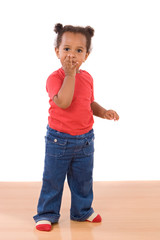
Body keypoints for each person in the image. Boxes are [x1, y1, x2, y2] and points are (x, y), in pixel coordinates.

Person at [33, 23, 119, 231]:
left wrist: (103, 111)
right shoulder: (55, 78)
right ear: (57, 51)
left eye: (78, 50)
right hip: (59, 140)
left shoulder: (88, 77)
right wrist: (69, 75)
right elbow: (63, 102)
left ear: (86, 56)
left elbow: (89, 103)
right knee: (53, 179)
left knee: (83, 179)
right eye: (67, 49)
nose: (72, 55)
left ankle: (82, 211)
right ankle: (46, 214)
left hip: (85, 140)